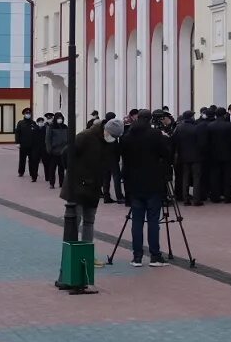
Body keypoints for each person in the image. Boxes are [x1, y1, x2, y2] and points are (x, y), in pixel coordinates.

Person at [120, 110, 174, 265]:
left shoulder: (128, 136)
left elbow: (123, 158)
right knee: (153, 221)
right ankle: (155, 256)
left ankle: (137, 256)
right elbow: (166, 155)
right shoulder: (155, 134)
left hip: (134, 184)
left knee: (136, 221)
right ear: (149, 119)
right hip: (153, 182)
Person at [62, 116, 118, 244]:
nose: (112, 139)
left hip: (94, 186)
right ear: (106, 129)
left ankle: (87, 252)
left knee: (89, 220)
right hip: (77, 185)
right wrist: (72, 173)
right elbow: (66, 153)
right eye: (112, 135)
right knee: (75, 219)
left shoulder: (108, 142)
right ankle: (72, 251)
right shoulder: (85, 136)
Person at [174, 110, 206, 205]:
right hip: (196, 157)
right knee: (196, 178)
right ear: (191, 117)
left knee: (185, 178)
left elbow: (175, 142)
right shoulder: (196, 128)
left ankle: (186, 199)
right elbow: (201, 143)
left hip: (183, 157)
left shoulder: (179, 128)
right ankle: (196, 199)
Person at [204, 106, 231, 203]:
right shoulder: (229, 125)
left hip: (213, 155)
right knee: (227, 176)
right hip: (227, 154)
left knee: (214, 176)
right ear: (225, 114)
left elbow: (207, 141)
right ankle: (227, 196)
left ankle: (215, 196)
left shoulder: (210, 126)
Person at [43, 113, 70, 189]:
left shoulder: (65, 127)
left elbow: (68, 138)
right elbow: (48, 139)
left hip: (63, 151)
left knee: (61, 169)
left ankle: (61, 183)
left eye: (61, 118)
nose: (60, 119)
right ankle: (52, 183)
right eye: (58, 118)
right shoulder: (51, 127)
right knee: (52, 168)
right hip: (54, 151)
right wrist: (49, 149)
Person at [14, 110, 39, 181]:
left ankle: (32, 173)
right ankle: (21, 172)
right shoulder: (20, 123)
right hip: (23, 145)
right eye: (27, 114)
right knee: (22, 159)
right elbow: (17, 133)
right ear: (24, 114)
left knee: (32, 160)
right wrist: (17, 142)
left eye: (29, 113)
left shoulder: (33, 123)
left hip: (32, 145)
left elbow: (36, 134)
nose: (28, 115)